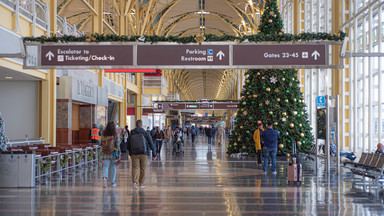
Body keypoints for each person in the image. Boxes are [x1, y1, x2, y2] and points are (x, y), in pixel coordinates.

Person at [127, 120, 157, 189]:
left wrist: (130, 153)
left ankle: (135, 182)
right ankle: (141, 183)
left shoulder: (132, 132)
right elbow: (151, 143)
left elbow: (128, 144)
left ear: (136, 125)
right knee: (143, 168)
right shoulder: (145, 132)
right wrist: (154, 154)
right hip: (144, 153)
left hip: (134, 153)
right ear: (142, 125)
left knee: (135, 167)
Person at [100, 121, 120, 187]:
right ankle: (112, 181)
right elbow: (117, 144)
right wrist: (119, 153)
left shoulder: (103, 133)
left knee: (105, 166)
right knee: (113, 166)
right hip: (113, 152)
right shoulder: (115, 134)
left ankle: (104, 180)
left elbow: (100, 143)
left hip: (105, 152)